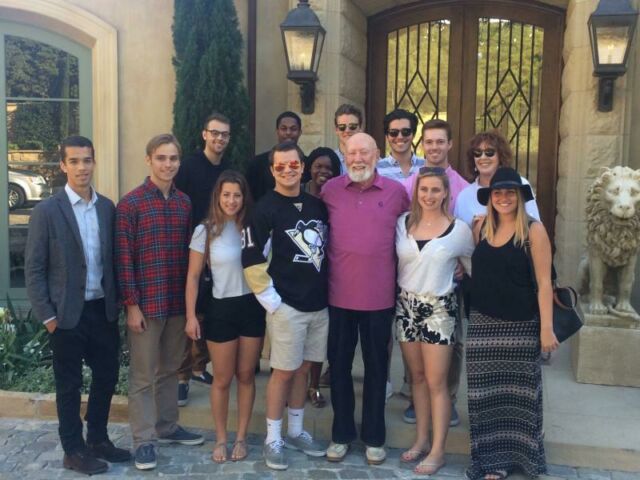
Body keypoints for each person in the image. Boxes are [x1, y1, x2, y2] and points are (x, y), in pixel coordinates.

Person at [25, 136, 130, 475]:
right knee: (69, 387)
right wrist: (49, 317)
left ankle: (97, 439)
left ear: (94, 162)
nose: (82, 167)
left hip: (101, 310)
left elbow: (111, 260)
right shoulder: (47, 211)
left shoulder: (106, 207)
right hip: (66, 316)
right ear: (63, 165)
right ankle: (73, 449)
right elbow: (34, 268)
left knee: (106, 377)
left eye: (87, 160)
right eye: (75, 161)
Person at [116, 134, 204, 471]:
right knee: (142, 376)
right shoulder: (132, 204)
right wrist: (131, 305)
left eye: (173, 159)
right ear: (149, 160)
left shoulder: (183, 202)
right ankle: (143, 441)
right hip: (146, 305)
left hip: (175, 304)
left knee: (170, 369)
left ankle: (167, 426)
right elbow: (123, 259)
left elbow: (189, 258)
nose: (168, 164)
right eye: (161, 158)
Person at [321, 133, 409, 465]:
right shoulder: (330, 191)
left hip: (379, 298)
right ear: (344, 153)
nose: (358, 158)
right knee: (340, 368)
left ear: (377, 155)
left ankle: (374, 437)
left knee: (376, 370)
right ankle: (341, 434)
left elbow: (414, 232)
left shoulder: (396, 193)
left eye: (365, 152)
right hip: (338, 296)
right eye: (352, 152)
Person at [466, 167, 558, 480]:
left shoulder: (534, 231)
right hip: (482, 324)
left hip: (520, 326)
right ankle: (493, 461)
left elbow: (545, 283)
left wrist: (547, 329)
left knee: (520, 396)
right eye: (497, 193)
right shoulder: (479, 229)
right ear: (490, 198)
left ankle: (521, 458)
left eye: (509, 192)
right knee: (485, 396)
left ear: (519, 197)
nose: (503, 198)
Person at [242, 142, 329, 470]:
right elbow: (250, 258)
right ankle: (273, 437)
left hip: (318, 305)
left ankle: (296, 431)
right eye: (281, 166)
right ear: (272, 171)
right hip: (287, 305)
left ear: (303, 166)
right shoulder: (263, 209)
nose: (288, 170)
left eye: (294, 164)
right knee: (283, 372)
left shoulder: (316, 206)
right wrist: (272, 302)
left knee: (305, 371)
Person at [395, 167, 473, 475]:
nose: (429, 195)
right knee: (416, 378)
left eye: (435, 190)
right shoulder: (402, 224)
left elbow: (473, 267)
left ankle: (438, 450)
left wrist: (463, 271)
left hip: (439, 309)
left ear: (446, 193)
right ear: (416, 191)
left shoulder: (459, 230)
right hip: (406, 306)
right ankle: (421, 440)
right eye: (423, 189)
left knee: (437, 382)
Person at [184, 171, 265, 463]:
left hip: (251, 307)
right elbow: (193, 277)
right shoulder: (205, 231)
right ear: (218, 196)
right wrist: (191, 315)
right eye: (226, 194)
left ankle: (241, 437)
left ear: (245, 198)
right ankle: (221, 438)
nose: (231, 200)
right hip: (220, 308)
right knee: (221, 378)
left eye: (237, 195)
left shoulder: (253, 229)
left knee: (245, 376)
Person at [402, 118, 469, 426]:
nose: (434, 147)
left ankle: (448, 398)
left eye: (440, 141)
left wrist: (460, 264)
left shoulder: (463, 188)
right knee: (415, 357)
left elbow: (470, 239)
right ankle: (417, 401)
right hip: (414, 284)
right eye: (429, 142)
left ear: (449, 144)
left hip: (446, 284)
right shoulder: (409, 182)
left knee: (450, 347)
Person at [175, 112, 233, 406]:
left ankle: (199, 368)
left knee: (213, 313)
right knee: (193, 315)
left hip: (222, 252)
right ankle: (182, 377)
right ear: (204, 134)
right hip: (194, 248)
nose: (219, 138)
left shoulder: (228, 170)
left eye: (224, 134)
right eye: (215, 133)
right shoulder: (187, 168)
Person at [301, 147, 341, 408]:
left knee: (317, 338)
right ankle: (293, 386)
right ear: (309, 167)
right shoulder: (298, 193)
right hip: (297, 273)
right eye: (318, 166)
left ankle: (313, 386)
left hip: (327, 273)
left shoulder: (335, 198)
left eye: (329, 168)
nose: (323, 172)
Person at [454, 130, 540, 226]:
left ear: (501, 156)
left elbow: (534, 224)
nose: (483, 157)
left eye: (489, 152)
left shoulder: (520, 184)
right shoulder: (464, 197)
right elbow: (460, 235)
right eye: (477, 153)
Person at [246, 111, 303, 202]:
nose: (288, 132)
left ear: (300, 132)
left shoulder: (306, 163)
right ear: (277, 131)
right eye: (283, 129)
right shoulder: (257, 164)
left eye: (293, 129)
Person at [377, 109, 425, 180]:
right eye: (393, 132)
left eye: (405, 131)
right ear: (387, 136)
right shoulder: (376, 170)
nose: (400, 137)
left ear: (413, 135)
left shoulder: (426, 166)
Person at [333, 103, 363, 172]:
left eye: (352, 126)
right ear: (336, 130)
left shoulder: (371, 159)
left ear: (360, 128)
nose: (347, 131)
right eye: (342, 127)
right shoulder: (329, 160)